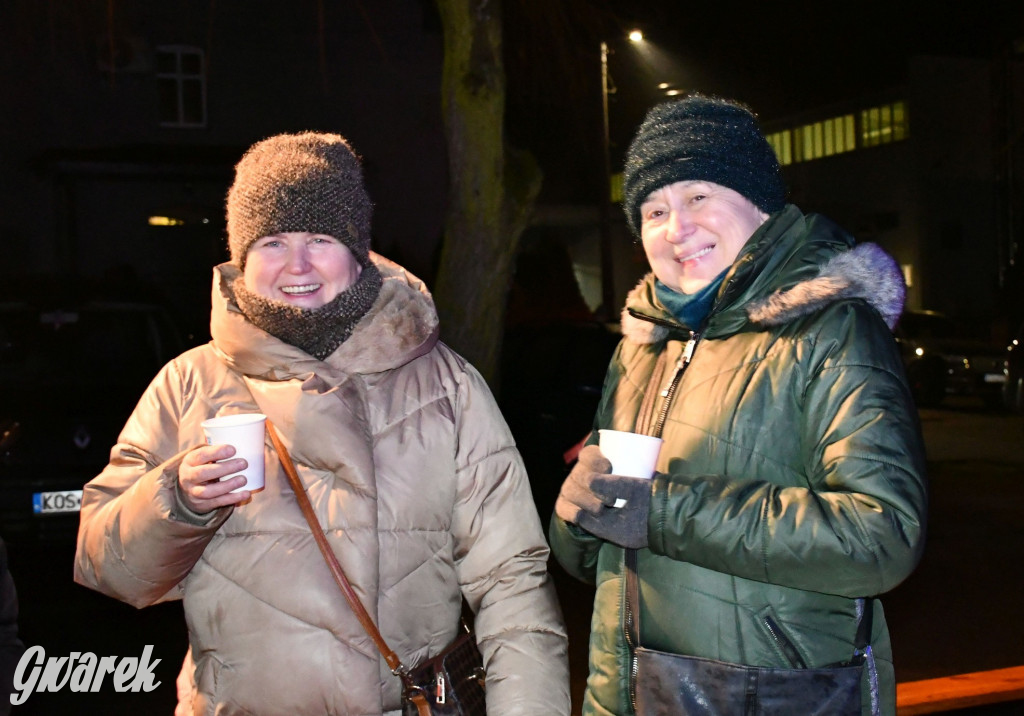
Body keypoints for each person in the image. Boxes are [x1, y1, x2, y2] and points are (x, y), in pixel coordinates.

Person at [75, 131, 570, 715]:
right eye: (273, 242)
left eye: (320, 238)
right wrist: (177, 500)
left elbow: (512, 582)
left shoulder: (445, 385)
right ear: (241, 256)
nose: (297, 265)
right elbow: (107, 565)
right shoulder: (190, 385)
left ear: (358, 250)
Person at [549, 95, 927, 715]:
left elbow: (882, 535)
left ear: (759, 203)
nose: (677, 229)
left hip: (774, 697)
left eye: (699, 196)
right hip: (630, 693)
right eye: (654, 210)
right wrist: (576, 513)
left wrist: (663, 509)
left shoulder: (830, 332)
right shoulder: (643, 347)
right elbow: (599, 559)